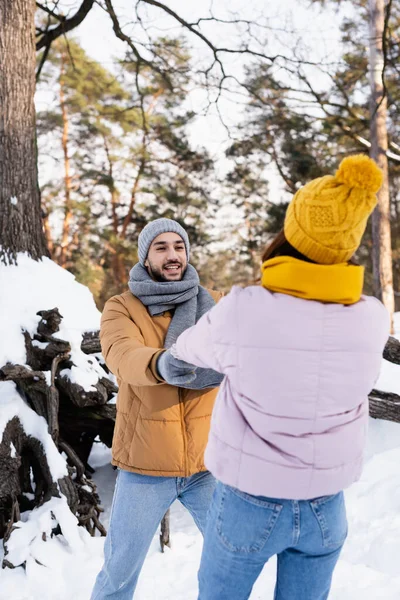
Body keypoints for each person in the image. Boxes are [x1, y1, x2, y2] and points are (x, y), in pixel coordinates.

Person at [172, 155, 390, 600]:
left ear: (291, 234)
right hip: (327, 508)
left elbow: (190, 347)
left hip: (249, 502)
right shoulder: (371, 317)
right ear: (346, 247)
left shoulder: (246, 308)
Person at [91, 218, 223, 599]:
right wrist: (161, 363)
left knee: (233, 561)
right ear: (146, 256)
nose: (172, 255)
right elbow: (121, 354)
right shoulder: (122, 307)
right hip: (146, 466)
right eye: (161, 247)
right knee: (119, 569)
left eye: (178, 247)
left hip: (208, 463)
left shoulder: (212, 301)